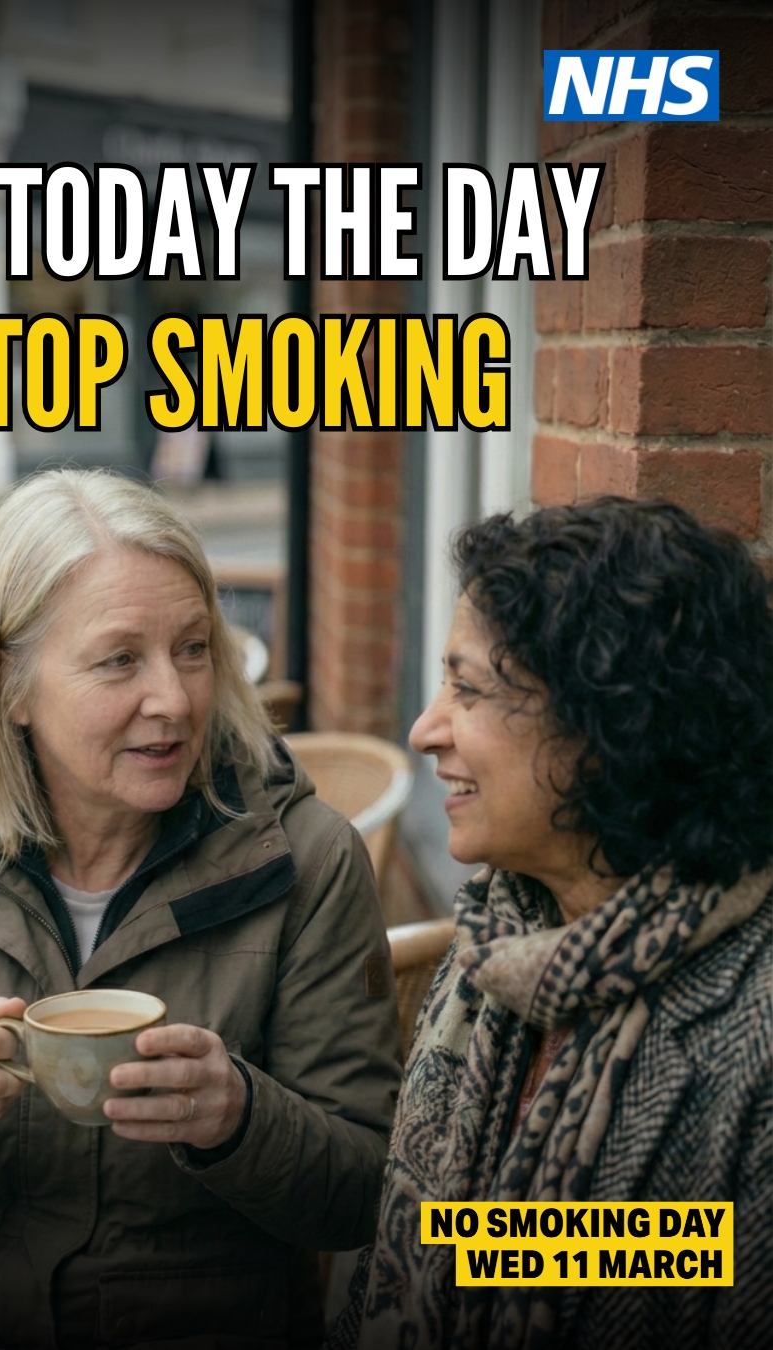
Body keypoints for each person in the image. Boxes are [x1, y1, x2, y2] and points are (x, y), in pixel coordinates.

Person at [0, 468, 402, 1349]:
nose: (174, 698)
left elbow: (362, 1192)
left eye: (193, 649)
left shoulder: (305, 859)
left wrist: (238, 1116)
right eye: (121, 659)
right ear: (11, 686)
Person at [331, 497, 772, 1350]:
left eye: (468, 688)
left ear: (609, 728)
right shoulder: (497, 944)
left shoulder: (750, 1027)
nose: (425, 730)